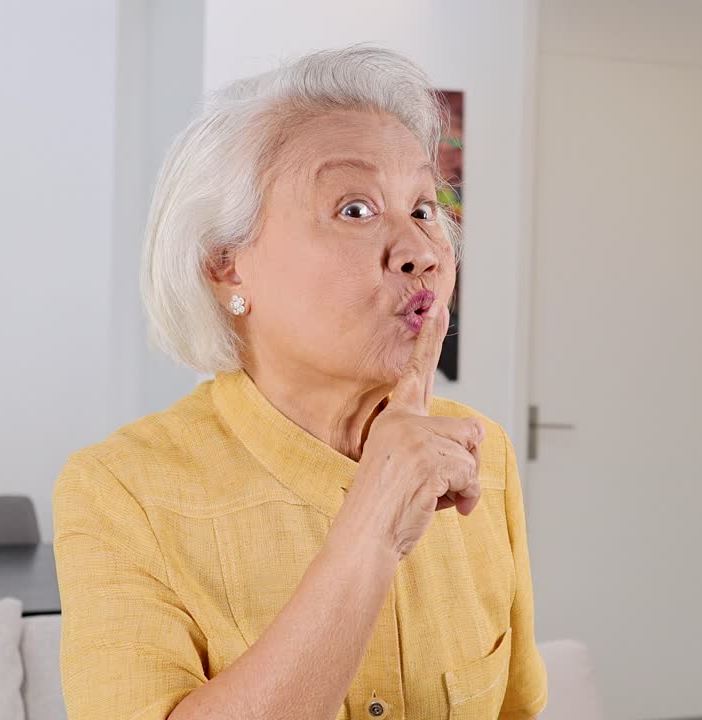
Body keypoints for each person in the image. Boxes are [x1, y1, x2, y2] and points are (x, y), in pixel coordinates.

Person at [52, 45, 547, 720]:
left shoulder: (480, 455)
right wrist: (373, 527)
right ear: (228, 266)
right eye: (355, 209)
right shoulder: (119, 492)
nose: (421, 251)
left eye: (426, 208)